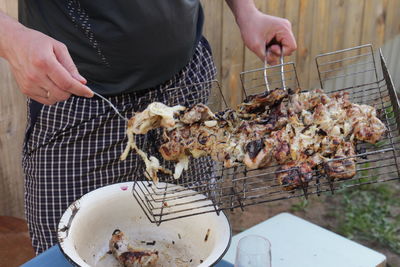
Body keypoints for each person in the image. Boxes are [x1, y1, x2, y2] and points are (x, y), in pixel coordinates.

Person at [0, 0, 296, 254]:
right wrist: (11, 38)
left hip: (186, 89)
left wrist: (247, 12)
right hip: (81, 104)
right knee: (70, 248)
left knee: (192, 240)